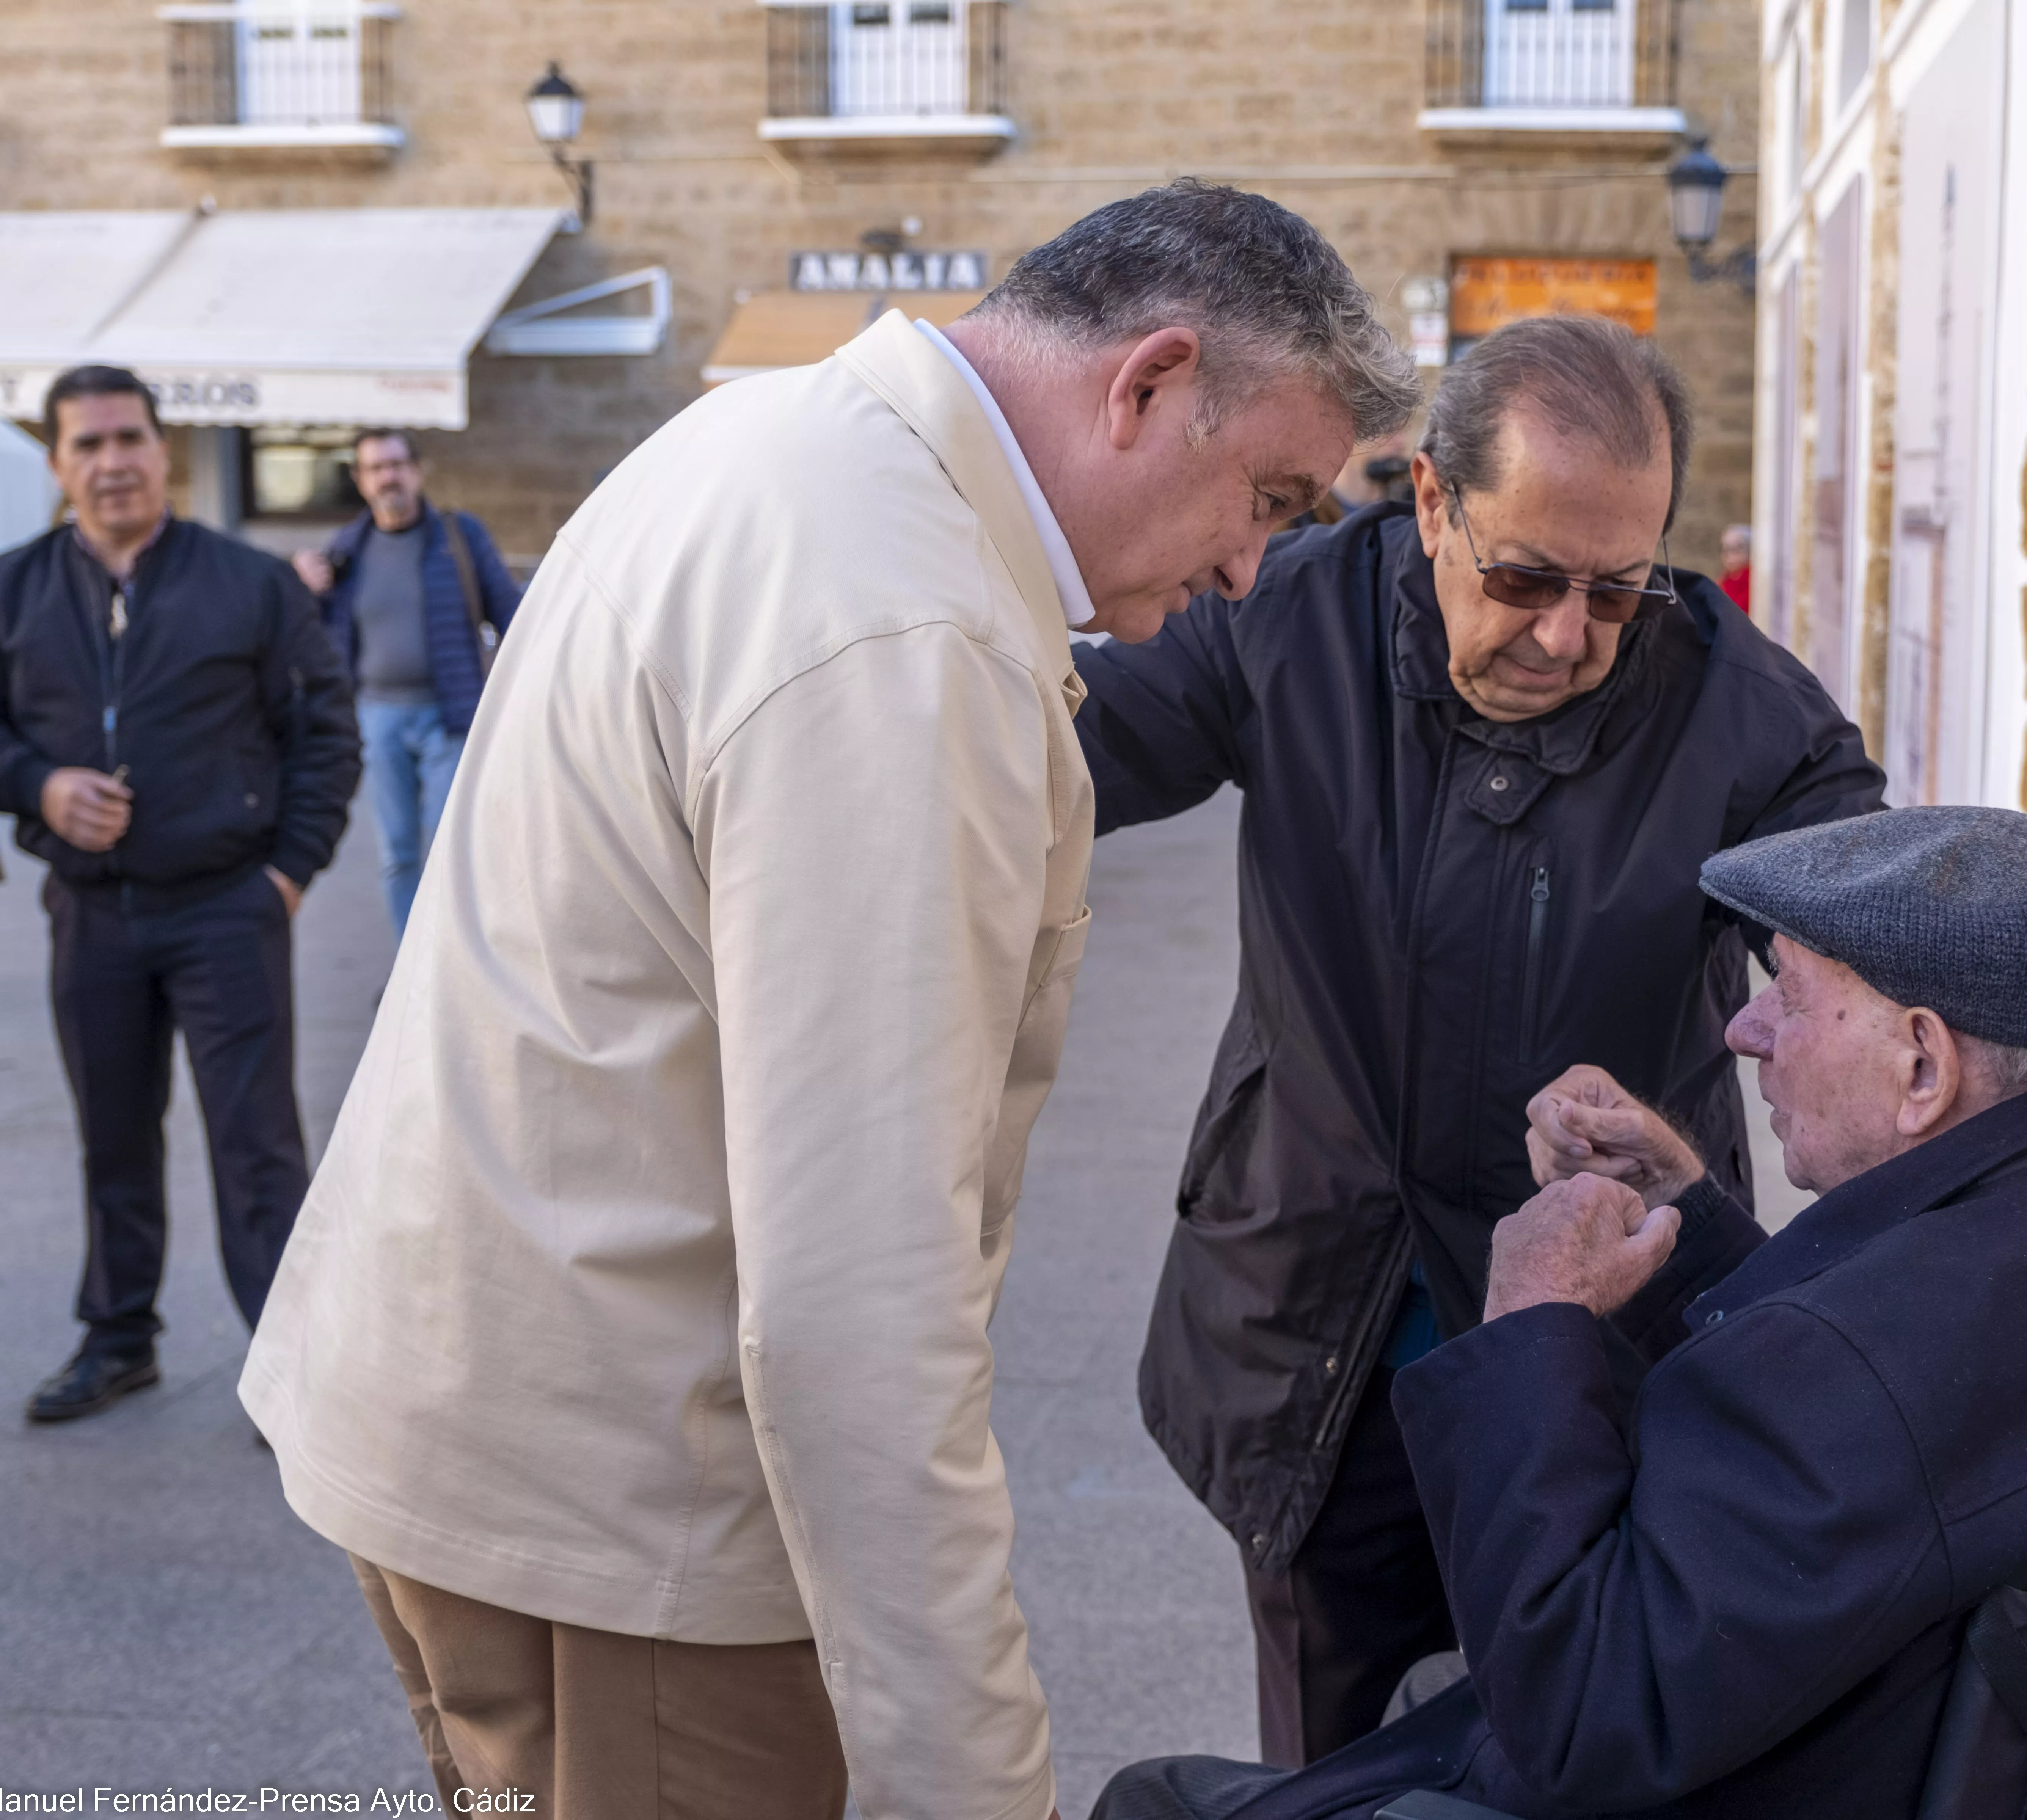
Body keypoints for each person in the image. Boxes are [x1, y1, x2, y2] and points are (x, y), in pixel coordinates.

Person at [238, 180, 1415, 1820]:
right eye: (1268, 498)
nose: (1248, 572)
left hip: (465, 1415)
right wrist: (973, 1774)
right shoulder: (904, 628)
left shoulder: (772, 439)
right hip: (632, 1522)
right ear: (1145, 382)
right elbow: (851, 1303)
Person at [1091, 806, 2027, 1820]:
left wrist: (1531, 1321)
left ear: (1924, 1067)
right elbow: (1872, 1450)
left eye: (1789, 990)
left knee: (1157, 1797)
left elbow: (1578, 1711)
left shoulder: (1882, 1353)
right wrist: (1688, 1224)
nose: (1745, 1031)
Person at [1070, 313, 1888, 1765]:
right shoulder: (1289, 616)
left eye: (1615, 591)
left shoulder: (1738, 710)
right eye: (1520, 578)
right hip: (1309, 1328)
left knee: (1595, 1751)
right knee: (1334, 1769)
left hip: (1605, 1345)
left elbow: (1886, 969)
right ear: (1431, 501)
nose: (1566, 635)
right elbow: (1035, 756)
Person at [0, 364, 360, 1424]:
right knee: (114, 1133)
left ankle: (288, 1369)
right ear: (56, 464)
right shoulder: (11, 591)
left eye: (129, 438)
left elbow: (325, 733)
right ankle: (118, 1337)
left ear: (162, 450)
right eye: (88, 445)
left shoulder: (250, 583)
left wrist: (288, 874)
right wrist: (38, 783)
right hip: (92, 913)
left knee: (256, 1142)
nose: (112, 462)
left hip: (230, 903)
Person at [290, 430, 523, 937]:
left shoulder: (459, 537)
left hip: (449, 716)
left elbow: (512, 612)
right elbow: (307, 637)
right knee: (398, 855)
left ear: (416, 471)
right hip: (377, 721)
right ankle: (409, 976)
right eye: (375, 468)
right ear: (360, 480)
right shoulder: (346, 552)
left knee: (449, 851)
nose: (388, 477)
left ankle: (451, 973)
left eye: (396, 465)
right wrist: (300, 588)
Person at [1718, 521, 1752, 613]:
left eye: (1736, 550)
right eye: (1726, 549)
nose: (1729, 556)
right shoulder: (1725, 580)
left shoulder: (1754, 581)